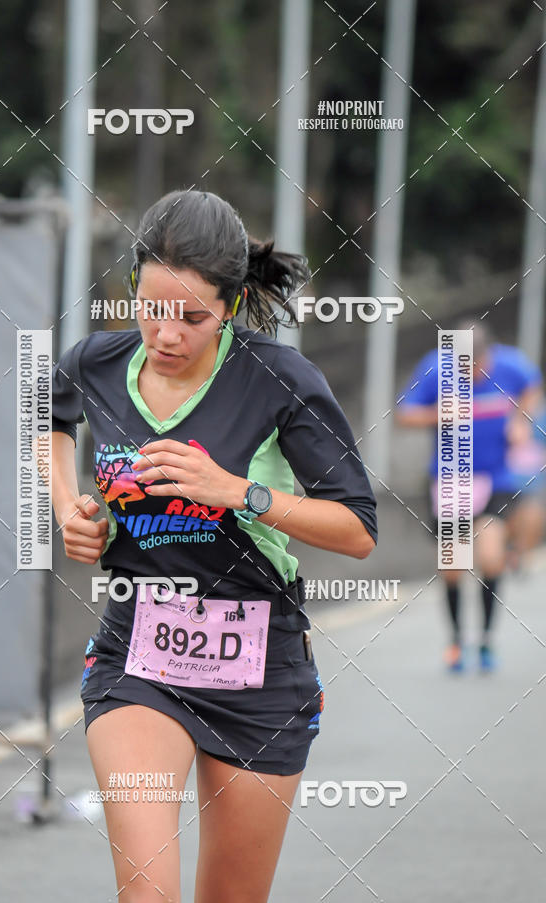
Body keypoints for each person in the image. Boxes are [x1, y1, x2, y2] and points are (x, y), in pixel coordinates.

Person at [50, 189, 378, 903]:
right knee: (149, 893)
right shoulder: (98, 363)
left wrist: (239, 490)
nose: (167, 334)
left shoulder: (278, 379)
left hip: (259, 667)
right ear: (134, 286)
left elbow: (357, 529)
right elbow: (48, 412)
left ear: (228, 306)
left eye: (192, 317)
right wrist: (67, 510)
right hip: (139, 656)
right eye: (153, 308)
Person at [396, 320, 542, 673]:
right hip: (450, 479)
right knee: (452, 567)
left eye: (477, 367)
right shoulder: (434, 369)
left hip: (496, 477)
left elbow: (532, 387)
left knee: (490, 557)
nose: (472, 374)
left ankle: (487, 641)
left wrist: (521, 420)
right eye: (464, 368)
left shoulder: (511, 364)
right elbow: (404, 414)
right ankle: (458, 642)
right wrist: (439, 414)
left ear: (488, 355)